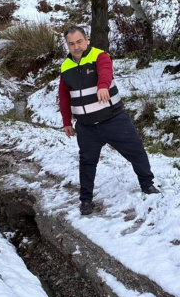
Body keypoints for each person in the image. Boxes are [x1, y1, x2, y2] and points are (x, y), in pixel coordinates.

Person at [59, 26, 159, 216]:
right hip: (86, 126)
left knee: (136, 150)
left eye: (79, 41)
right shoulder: (66, 67)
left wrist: (102, 86)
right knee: (87, 163)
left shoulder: (99, 56)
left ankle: (147, 184)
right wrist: (66, 121)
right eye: (71, 44)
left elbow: (106, 71)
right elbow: (64, 97)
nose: (76, 47)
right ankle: (86, 200)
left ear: (87, 39)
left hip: (113, 119)